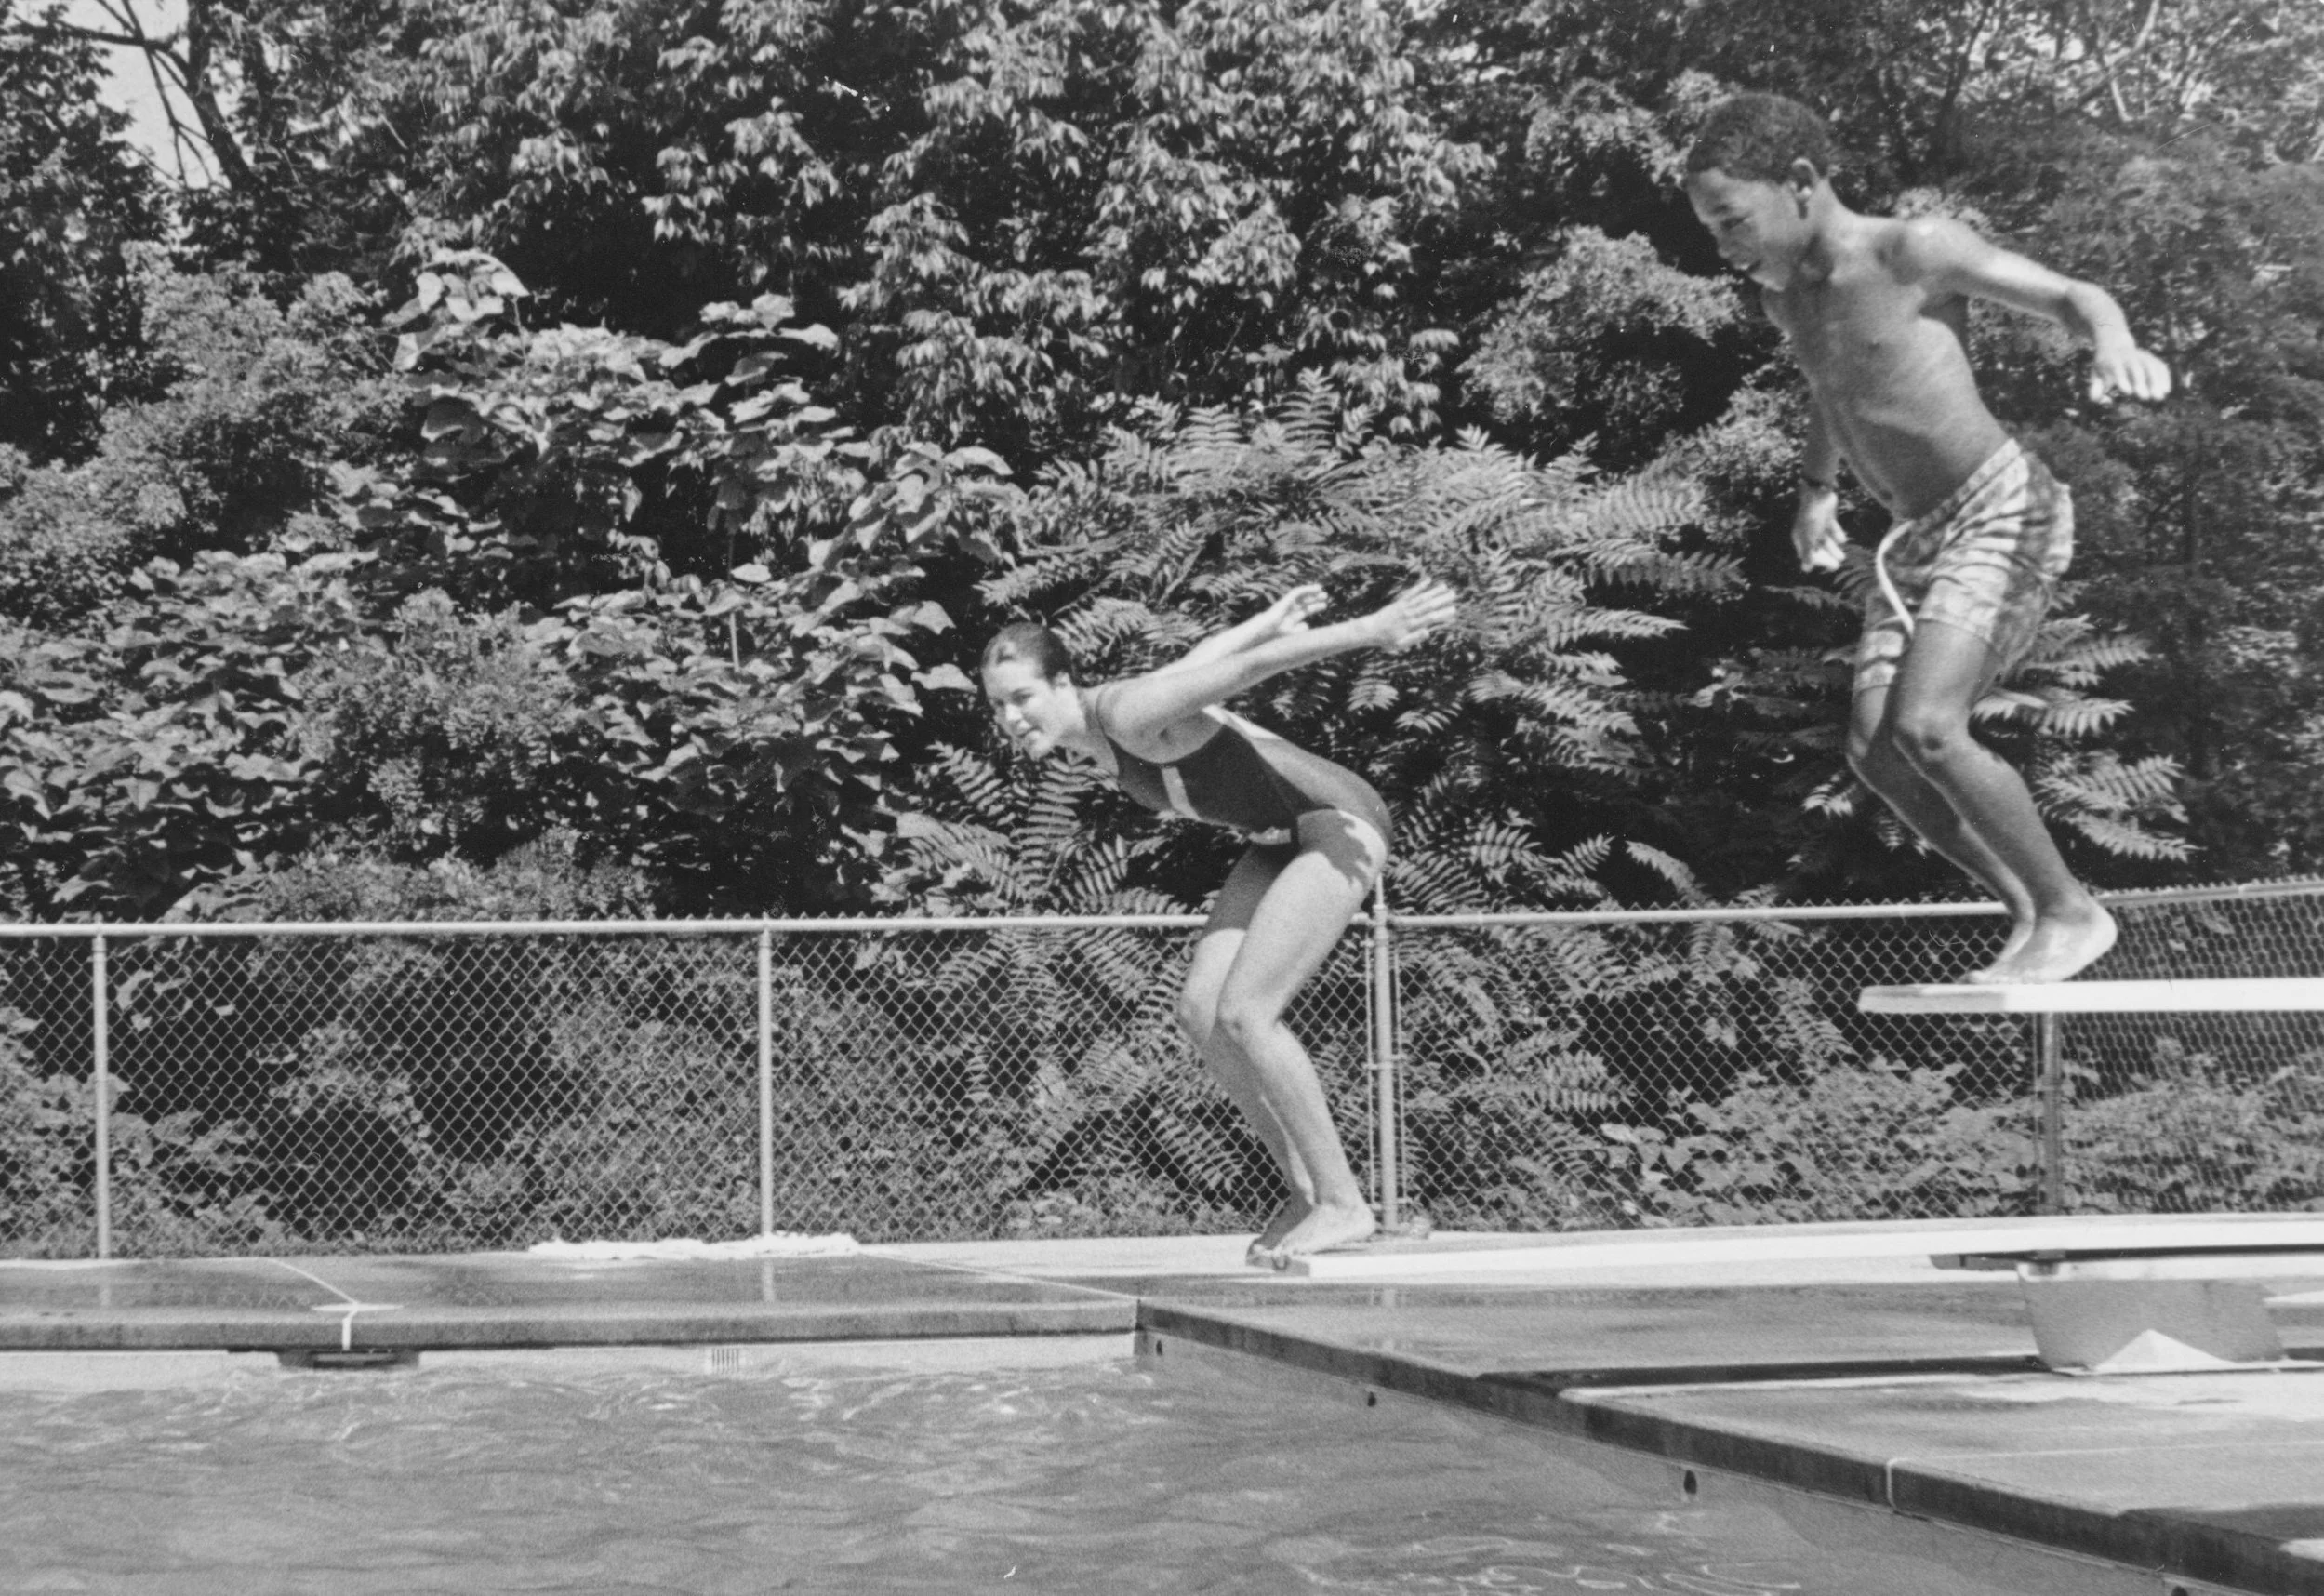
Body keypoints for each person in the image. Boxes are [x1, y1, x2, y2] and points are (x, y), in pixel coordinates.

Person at [1682, 92, 2171, 985]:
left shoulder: (1915, 249)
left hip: (1999, 504)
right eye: (1711, 229)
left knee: (1930, 725)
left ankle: (2072, 909)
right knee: (1875, 749)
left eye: (1730, 220)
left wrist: (2110, 340)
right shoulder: (1783, 299)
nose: (1723, 247)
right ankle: (2030, 910)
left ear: (1798, 183)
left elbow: (2070, 293)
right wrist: (1816, 491)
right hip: (1914, 536)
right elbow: (1830, 393)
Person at [979, 579, 1456, 1264]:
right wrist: (1262, 618)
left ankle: (1343, 1203)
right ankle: (1303, 1190)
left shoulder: (1123, 711)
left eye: (1022, 698)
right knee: (1201, 1009)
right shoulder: (1108, 728)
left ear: (1062, 684)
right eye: (998, 706)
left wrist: (1371, 629)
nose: (1012, 718)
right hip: (1275, 837)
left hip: (1334, 825)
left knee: (1247, 1011)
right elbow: (1203, 660)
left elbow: (1239, 675)